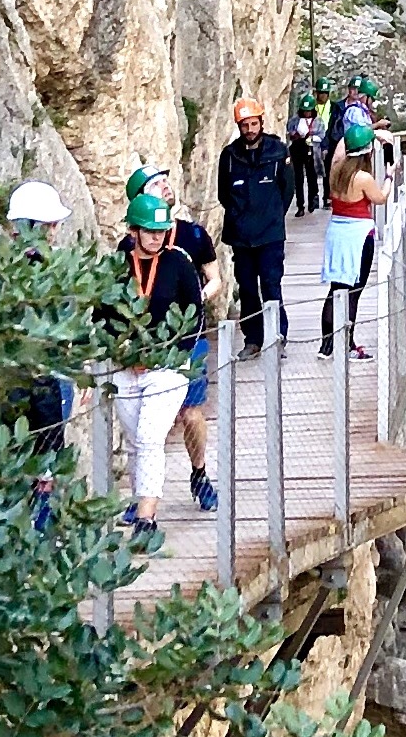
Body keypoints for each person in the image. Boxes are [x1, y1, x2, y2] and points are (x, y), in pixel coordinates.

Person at [111, 184, 207, 541]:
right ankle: (140, 502)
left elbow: (195, 315)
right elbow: (102, 313)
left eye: (161, 231)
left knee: (151, 437)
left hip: (167, 366)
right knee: (136, 440)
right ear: (133, 231)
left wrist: (172, 353)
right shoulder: (117, 265)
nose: (156, 237)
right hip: (125, 366)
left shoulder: (178, 263)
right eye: (149, 231)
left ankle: (147, 519)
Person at [5, 178, 74, 528]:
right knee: (45, 471)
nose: (55, 231)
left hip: (10, 385)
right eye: (50, 225)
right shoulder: (52, 276)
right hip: (45, 385)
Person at [216, 96, 293, 353]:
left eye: (253, 124)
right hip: (241, 236)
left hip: (270, 233)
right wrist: (240, 215)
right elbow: (223, 195)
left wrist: (272, 214)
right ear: (239, 126)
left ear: (261, 122)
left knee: (271, 284)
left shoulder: (278, 151)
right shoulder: (229, 157)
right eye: (244, 125)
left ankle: (278, 335)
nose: (250, 130)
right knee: (247, 288)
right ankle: (253, 339)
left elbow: (287, 190)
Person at [318, 100, 389, 350]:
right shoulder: (363, 178)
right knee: (354, 292)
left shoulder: (336, 172)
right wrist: (390, 177)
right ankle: (347, 344)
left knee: (336, 288)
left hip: (336, 230)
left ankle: (326, 345)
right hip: (358, 235)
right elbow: (380, 198)